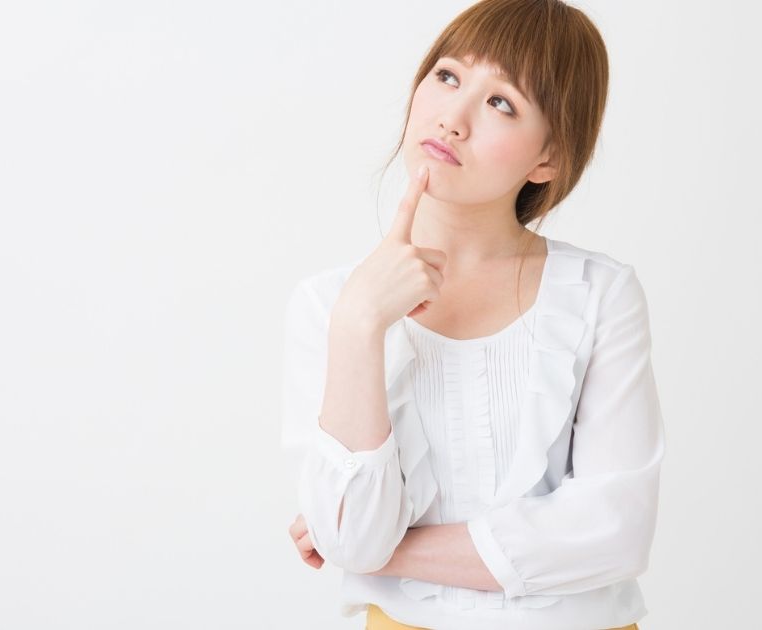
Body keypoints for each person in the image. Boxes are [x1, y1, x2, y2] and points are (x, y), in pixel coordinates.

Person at [280, 0, 664, 628]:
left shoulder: (600, 294)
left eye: (501, 103)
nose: (452, 119)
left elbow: (615, 532)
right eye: (448, 76)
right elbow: (350, 536)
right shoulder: (332, 305)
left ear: (549, 158)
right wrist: (359, 324)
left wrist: (380, 553)